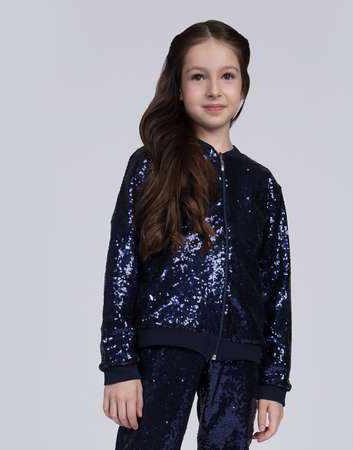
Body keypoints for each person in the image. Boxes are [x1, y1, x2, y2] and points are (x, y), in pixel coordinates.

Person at [99, 19, 293, 450]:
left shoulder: (261, 184)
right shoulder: (151, 165)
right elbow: (122, 266)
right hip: (162, 349)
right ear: (178, 87)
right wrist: (119, 364)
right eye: (198, 77)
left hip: (239, 359)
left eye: (227, 76)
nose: (214, 90)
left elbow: (276, 287)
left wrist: (274, 382)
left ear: (243, 87)